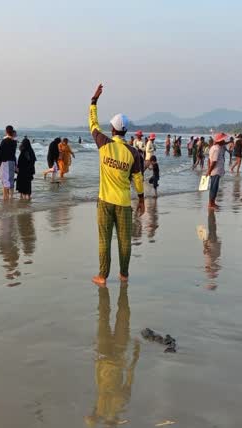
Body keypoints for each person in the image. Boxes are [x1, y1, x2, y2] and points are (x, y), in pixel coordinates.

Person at [88, 84, 145, 287]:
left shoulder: (103, 143)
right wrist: (141, 200)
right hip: (123, 203)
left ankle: (103, 276)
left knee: (105, 241)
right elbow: (138, 179)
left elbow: (93, 124)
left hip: (105, 201)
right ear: (126, 131)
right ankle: (124, 275)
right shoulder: (133, 153)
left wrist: (94, 101)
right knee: (125, 242)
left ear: (112, 129)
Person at [206, 133, 228, 209]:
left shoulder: (214, 147)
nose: (224, 141)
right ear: (220, 141)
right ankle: (211, 203)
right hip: (216, 171)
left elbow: (209, 160)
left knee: (213, 187)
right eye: (223, 140)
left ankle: (212, 203)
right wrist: (209, 171)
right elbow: (214, 162)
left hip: (215, 170)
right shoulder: (217, 149)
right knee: (214, 187)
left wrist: (209, 169)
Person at [0, 125, 17, 200]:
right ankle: (11, 196)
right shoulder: (14, 142)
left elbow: (0, 153)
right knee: (10, 179)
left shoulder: (4, 141)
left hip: (5, 162)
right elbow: (13, 153)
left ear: (6, 131)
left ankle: (5, 197)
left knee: (5, 180)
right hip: (12, 161)